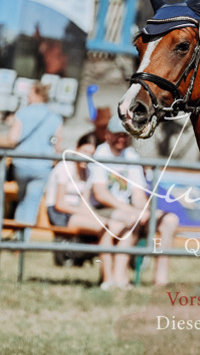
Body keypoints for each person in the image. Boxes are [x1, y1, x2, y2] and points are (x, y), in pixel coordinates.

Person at [91, 115, 179, 287]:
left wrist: (146, 212)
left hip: (127, 209)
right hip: (102, 209)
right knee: (134, 219)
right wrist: (134, 211)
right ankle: (119, 279)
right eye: (118, 134)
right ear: (108, 134)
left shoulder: (131, 156)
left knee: (170, 220)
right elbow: (100, 194)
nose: (122, 138)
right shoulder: (100, 153)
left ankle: (160, 280)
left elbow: (138, 194)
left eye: (125, 135)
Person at [45, 131, 129, 286]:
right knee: (106, 227)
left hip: (75, 212)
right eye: (84, 152)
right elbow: (59, 204)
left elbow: (85, 203)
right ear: (76, 149)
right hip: (60, 214)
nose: (86, 157)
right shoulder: (65, 167)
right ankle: (107, 280)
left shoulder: (88, 172)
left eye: (91, 154)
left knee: (118, 227)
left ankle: (120, 278)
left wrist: (95, 215)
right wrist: (91, 215)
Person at [0, 81, 62, 236]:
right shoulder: (55, 117)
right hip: (43, 166)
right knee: (32, 203)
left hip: (22, 163)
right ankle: (23, 240)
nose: (27, 95)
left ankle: (18, 237)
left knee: (22, 200)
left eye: (30, 92)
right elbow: (57, 146)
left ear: (36, 94)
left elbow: (12, 139)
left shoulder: (23, 113)